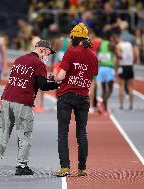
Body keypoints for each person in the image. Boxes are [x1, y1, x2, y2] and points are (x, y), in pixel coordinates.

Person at [0, 40, 59, 176]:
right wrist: (58, 85)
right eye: (49, 52)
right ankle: (21, 165)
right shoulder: (39, 63)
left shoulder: (20, 59)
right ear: (43, 50)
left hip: (7, 99)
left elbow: (25, 77)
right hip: (23, 101)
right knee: (24, 133)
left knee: (2, 131)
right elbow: (43, 85)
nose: (48, 55)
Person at [53, 23, 98, 177]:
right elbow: (92, 76)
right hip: (84, 97)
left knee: (63, 133)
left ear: (74, 38)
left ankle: (65, 168)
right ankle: (82, 169)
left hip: (66, 95)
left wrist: (53, 77)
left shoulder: (70, 52)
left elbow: (61, 76)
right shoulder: (93, 55)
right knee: (82, 133)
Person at [111, 32, 136, 110]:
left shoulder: (118, 46)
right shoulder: (129, 44)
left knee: (121, 86)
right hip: (130, 66)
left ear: (116, 39)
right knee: (130, 87)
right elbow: (134, 54)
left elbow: (117, 58)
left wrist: (115, 70)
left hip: (122, 67)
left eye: (113, 41)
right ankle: (131, 106)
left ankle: (121, 106)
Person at [96, 32, 118, 116]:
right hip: (109, 69)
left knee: (104, 90)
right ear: (110, 37)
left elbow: (96, 56)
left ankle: (104, 109)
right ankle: (102, 102)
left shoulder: (100, 46)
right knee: (110, 90)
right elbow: (118, 55)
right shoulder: (111, 45)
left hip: (101, 69)